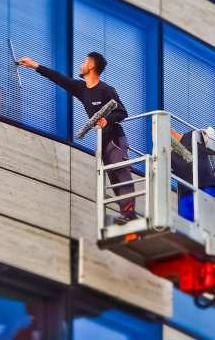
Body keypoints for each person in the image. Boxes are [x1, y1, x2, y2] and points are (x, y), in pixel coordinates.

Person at [18, 52, 137, 221]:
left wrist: (107, 119)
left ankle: (129, 214)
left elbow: (122, 112)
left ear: (91, 65)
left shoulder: (106, 90)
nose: (81, 65)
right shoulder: (82, 89)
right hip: (102, 143)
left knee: (120, 172)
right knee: (113, 179)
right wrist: (36, 66)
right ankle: (128, 215)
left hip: (115, 140)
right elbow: (60, 79)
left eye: (84, 62)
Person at [170, 127, 215, 221]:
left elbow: (211, 144)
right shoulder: (168, 154)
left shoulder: (192, 136)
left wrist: (208, 135)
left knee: (209, 225)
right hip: (185, 195)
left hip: (206, 187)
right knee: (185, 232)